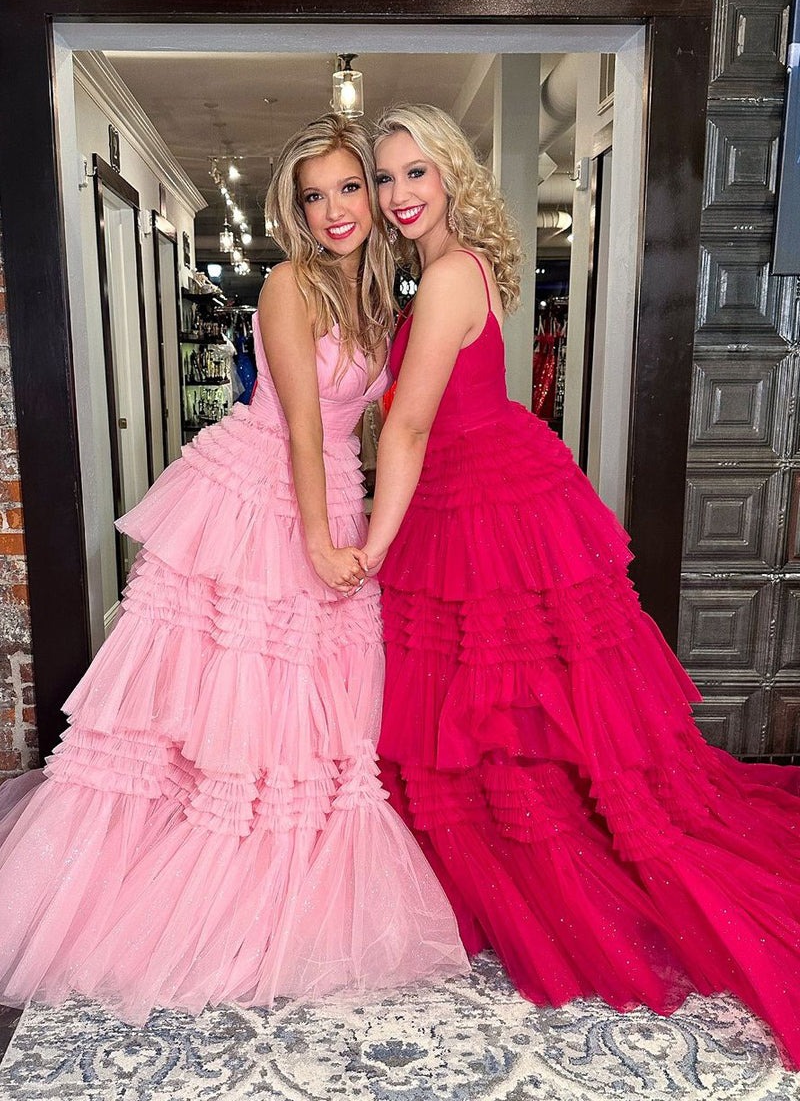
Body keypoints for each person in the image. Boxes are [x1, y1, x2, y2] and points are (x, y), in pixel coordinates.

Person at [0, 114, 467, 1025]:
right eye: (314, 196)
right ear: (293, 210)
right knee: (236, 702)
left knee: (309, 710)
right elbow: (302, 426)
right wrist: (320, 541)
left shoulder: (378, 293)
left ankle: (287, 890)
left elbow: (380, 421)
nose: (335, 210)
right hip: (265, 496)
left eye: (350, 188)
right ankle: (191, 892)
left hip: (336, 489)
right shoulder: (291, 283)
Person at [362, 102, 800, 1068]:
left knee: (494, 701)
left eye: (414, 172)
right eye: (385, 177)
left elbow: (409, 425)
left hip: (473, 495)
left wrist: (372, 543)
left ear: (451, 174)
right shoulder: (456, 267)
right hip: (484, 483)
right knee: (506, 697)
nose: (397, 194)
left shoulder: (446, 275)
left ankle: (537, 874)